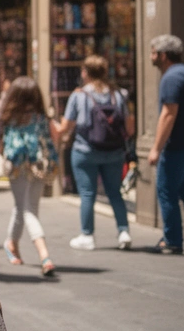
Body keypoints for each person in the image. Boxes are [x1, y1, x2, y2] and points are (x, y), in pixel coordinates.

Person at [55, 55, 134, 251]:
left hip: (85, 151)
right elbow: (130, 127)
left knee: (87, 193)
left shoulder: (79, 95)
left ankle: (87, 235)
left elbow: (66, 127)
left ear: (85, 73)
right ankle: (123, 231)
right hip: (114, 151)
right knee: (115, 192)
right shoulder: (119, 94)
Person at [0, 77, 59, 276]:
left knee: (24, 208)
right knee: (27, 209)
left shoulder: (8, 118)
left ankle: (11, 243)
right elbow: (54, 139)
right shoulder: (39, 118)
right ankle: (44, 255)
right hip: (34, 166)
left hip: (20, 167)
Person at [148, 35, 184, 254]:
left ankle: (172, 239)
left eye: (153, 52)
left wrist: (156, 148)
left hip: (175, 146)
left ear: (163, 55)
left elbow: (168, 115)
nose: (151, 57)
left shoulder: (171, 78)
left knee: (166, 190)